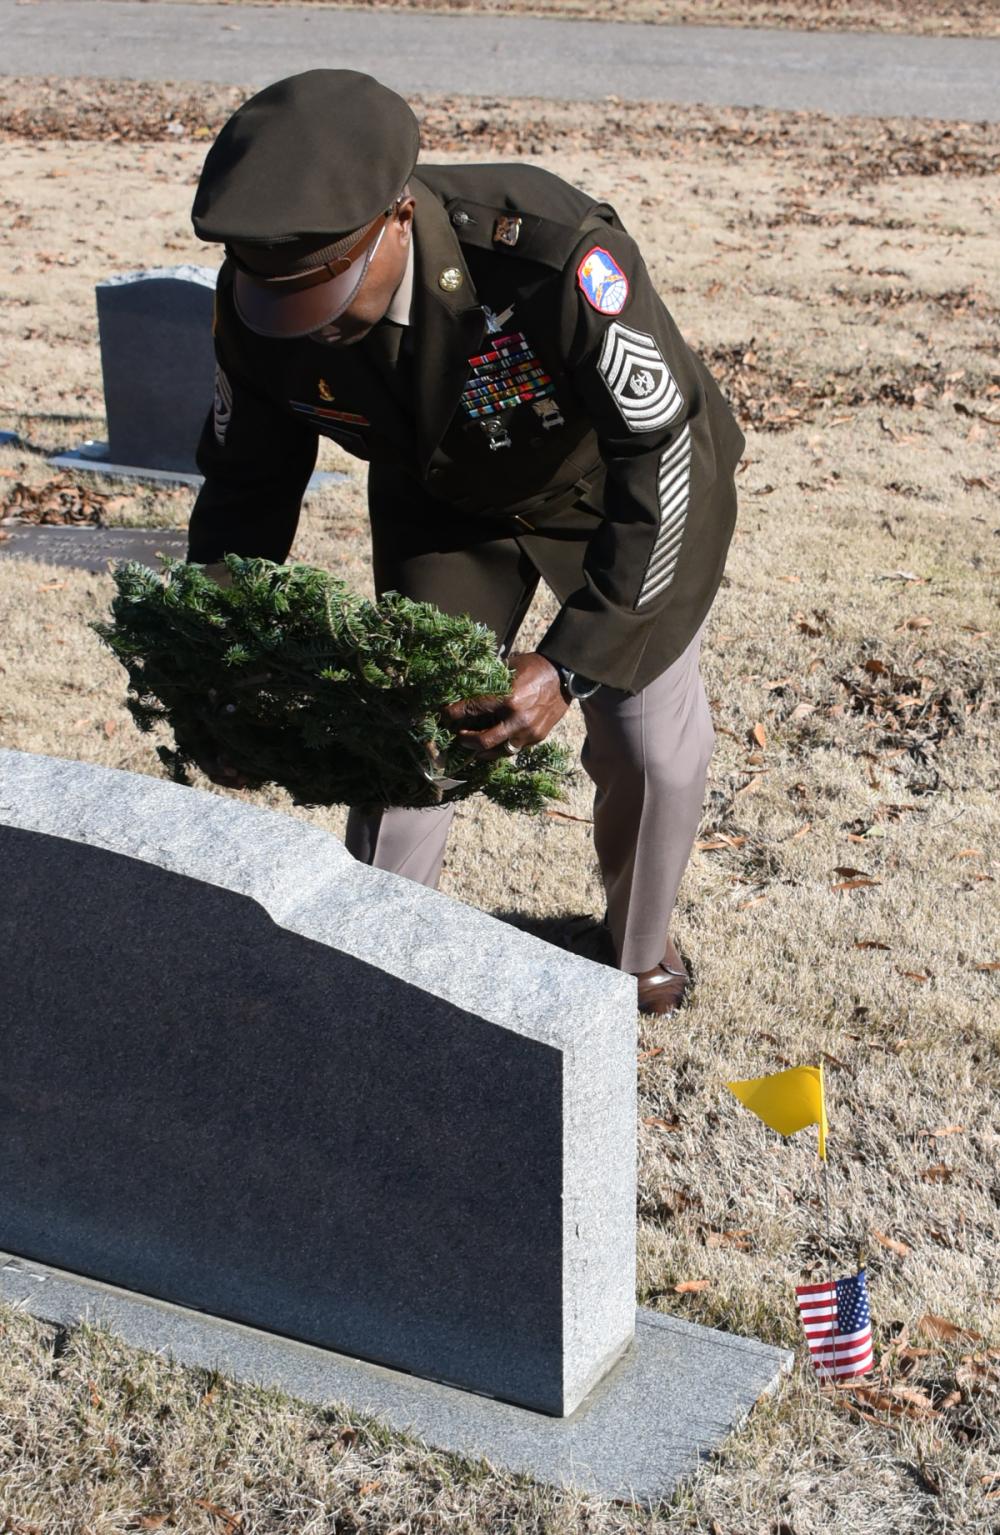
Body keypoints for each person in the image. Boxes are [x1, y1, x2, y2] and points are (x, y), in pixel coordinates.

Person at [185, 68, 746, 1017]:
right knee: (413, 732)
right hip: (442, 502)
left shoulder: (553, 256)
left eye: (331, 295)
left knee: (652, 751)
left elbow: (664, 456)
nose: (310, 334)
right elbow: (248, 486)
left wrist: (570, 668)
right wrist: (218, 662)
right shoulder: (262, 300)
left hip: (607, 494)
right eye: (282, 303)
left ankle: (637, 955)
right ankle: (374, 960)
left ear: (398, 217)